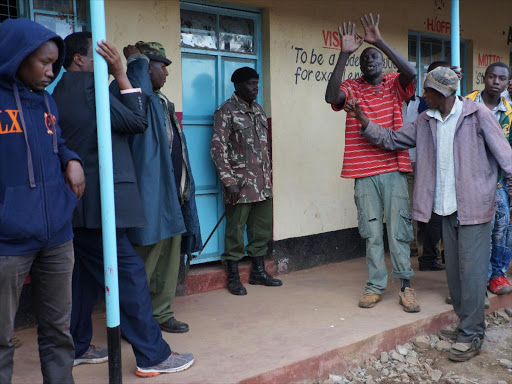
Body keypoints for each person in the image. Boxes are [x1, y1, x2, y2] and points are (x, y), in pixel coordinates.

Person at [346, 66, 512, 361]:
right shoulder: (425, 120)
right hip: (444, 209)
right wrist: (364, 121)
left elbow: (506, 159)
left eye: (428, 91)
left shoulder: (477, 115)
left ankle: (472, 333)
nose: (423, 95)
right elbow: (392, 140)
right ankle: (466, 322)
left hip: (475, 208)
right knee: (455, 273)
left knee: (473, 275)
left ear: (444, 93)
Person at [52, 32, 194, 377]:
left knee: (84, 280)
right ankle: (152, 355)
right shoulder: (91, 88)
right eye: (96, 57)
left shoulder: (59, 91)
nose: (102, 62)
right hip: (101, 207)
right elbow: (136, 121)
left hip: (79, 207)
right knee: (129, 277)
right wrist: (120, 72)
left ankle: (78, 345)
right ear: (79, 61)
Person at [0, 18, 85, 383]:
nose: (51, 71)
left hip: (57, 237)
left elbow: (56, 141)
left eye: (54, 62)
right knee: (2, 339)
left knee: (57, 333)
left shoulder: (47, 100)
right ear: (16, 56)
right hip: (8, 242)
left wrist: (71, 158)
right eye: (44, 62)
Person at [324, 13, 419, 312]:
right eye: (365, 61)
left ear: (382, 64)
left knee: (399, 231)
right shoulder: (352, 87)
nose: (371, 64)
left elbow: (411, 72)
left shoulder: (394, 84)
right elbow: (330, 95)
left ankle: (405, 285)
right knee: (372, 231)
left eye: (375, 59)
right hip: (363, 172)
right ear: (360, 66)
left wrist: (380, 42)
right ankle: (376, 285)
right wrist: (343, 54)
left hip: (393, 168)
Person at [112, 42, 201, 334]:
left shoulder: (161, 102)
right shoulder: (131, 97)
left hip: (172, 195)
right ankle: (133, 323)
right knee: (144, 263)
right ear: (146, 68)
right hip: (149, 198)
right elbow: (136, 98)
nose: (166, 73)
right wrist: (134, 61)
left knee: (167, 262)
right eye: (161, 66)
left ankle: (161, 312)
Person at [211, 67, 282, 296]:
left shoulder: (259, 111)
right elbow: (217, 148)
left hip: (262, 184)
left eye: (257, 83)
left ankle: (258, 272)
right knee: (235, 230)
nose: (255, 88)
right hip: (239, 185)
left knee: (260, 229)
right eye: (251, 84)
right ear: (237, 85)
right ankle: (233, 276)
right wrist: (228, 180)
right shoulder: (226, 111)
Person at [466, 62, 512, 295]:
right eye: (492, 76)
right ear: (484, 78)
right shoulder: (466, 103)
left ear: (506, 83)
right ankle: (477, 279)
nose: (496, 82)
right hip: (469, 181)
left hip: (497, 181)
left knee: (502, 227)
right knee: (476, 231)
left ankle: (497, 275)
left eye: (501, 78)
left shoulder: (510, 112)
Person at [405, 61, 450, 272]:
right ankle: (416, 249)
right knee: (414, 210)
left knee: (436, 212)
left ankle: (436, 253)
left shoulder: (426, 106)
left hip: (428, 166)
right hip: (403, 163)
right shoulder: (421, 107)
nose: (423, 93)